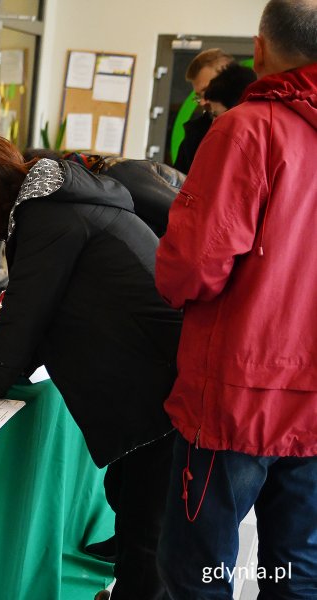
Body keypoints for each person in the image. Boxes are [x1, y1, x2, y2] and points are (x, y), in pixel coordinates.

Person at [0, 133, 183, 600]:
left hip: (158, 380)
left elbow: (27, 314)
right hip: (156, 373)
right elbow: (45, 318)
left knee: (146, 528)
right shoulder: (55, 197)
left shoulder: (46, 213)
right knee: (132, 500)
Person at [155, 1, 317, 597]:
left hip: (237, 393)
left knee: (197, 571)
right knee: (297, 568)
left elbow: (193, 267)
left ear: (260, 49)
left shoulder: (248, 129)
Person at [173, 48, 234, 173]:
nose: (202, 102)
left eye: (207, 91)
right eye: (198, 96)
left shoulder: (260, 127)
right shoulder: (194, 136)